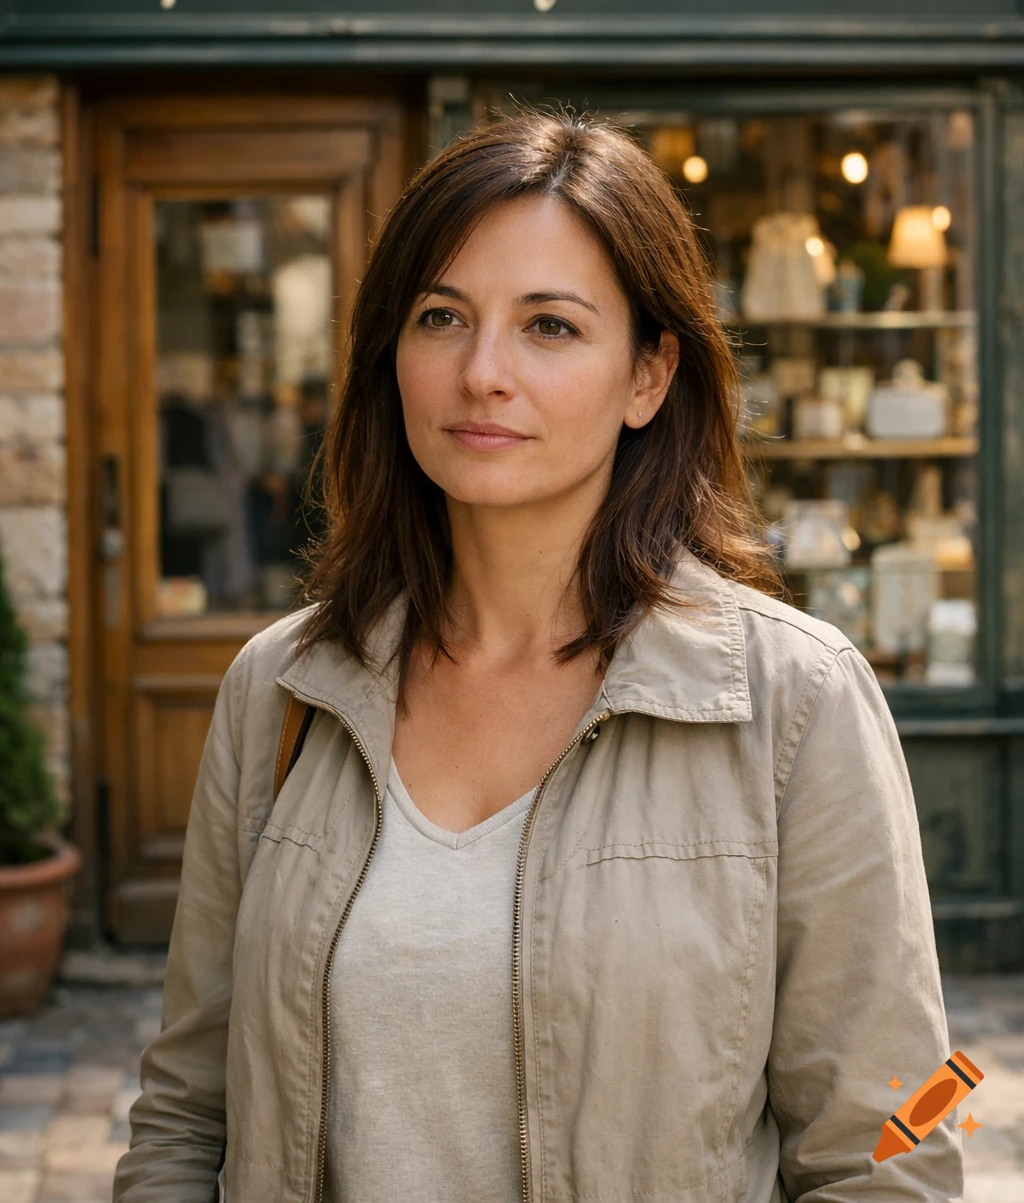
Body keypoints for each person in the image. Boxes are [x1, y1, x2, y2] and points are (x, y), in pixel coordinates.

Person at [113, 111, 962, 1203]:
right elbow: (188, 1115)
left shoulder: (793, 700)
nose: (482, 373)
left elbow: (899, 1134)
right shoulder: (281, 690)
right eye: (440, 317)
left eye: (549, 327)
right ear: (393, 356)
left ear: (649, 375)